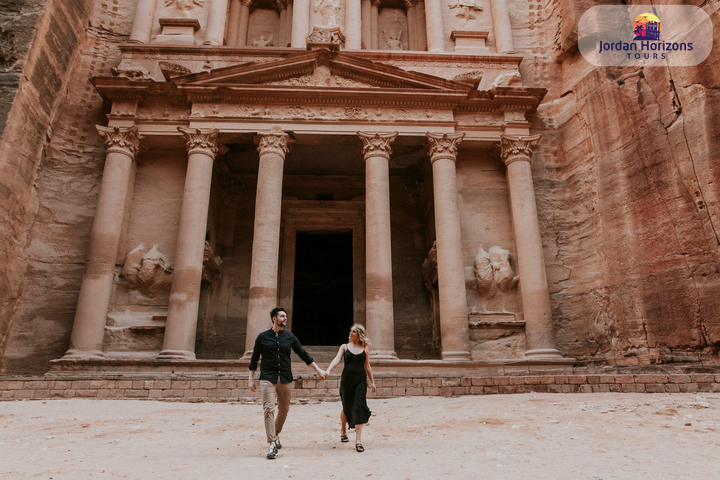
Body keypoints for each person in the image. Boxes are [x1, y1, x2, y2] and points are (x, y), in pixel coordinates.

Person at [248, 307, 327, 460]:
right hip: (267, 378)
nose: (285, 318)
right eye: (282, 316)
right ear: (274, 319)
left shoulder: (290, 337)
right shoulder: (262, 337)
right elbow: (254, 358)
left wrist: (319, 370)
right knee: (268, 409)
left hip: (284, 378)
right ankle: (271, 444)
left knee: (284, 410)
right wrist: (250, 378)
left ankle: (276, 434)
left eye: (285, 316)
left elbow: (303, 354)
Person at [326, 323, 376, 452]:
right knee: (346, 406)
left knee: (358, 406)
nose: (351, 333)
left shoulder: (365, 348)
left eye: (354, 331)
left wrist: (372, 381)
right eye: (350, 331)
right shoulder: (344, 347)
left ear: (359, 334)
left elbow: (367, 366)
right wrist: (329, 370)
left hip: (360, 381)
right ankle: (343, 430)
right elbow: (337, 359)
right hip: (347, 381)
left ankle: (358, 441)